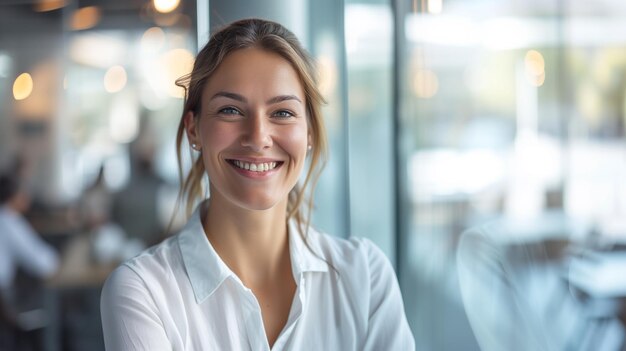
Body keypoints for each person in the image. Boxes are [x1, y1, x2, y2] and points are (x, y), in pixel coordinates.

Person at [100, 18, 415, 351]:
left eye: (282, 113)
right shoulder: (143, 292)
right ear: (194, 129)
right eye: (231, 110)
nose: (258, 137)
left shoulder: (365, 277)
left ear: (309, 131)